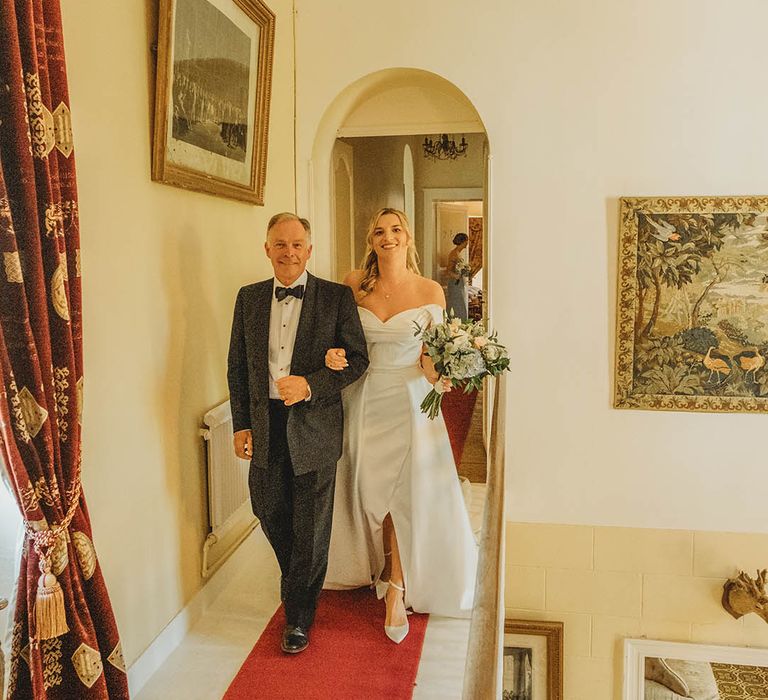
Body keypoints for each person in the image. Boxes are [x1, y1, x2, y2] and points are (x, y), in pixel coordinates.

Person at [323, 208, 478, 643]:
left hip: (412, 401)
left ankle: (397, 586)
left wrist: (441, 369)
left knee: (410, 494)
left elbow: (432, 354)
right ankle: (374, 564)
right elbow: (335, 341)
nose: (388, 237)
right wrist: (331, 357)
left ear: (408, 237)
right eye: (379, 231)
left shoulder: (430, 289)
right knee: (371, 490)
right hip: (365, 397)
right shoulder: (352, 284)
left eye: (396, 230)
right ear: (370, 240)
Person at [227, 213, 369, 654]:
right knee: (267, 507)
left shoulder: (336, 297)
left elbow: (358, 360)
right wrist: (242, 424)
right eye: (280, 244)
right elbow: (237, 366)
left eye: (297, 244)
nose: (289, 252)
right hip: (265, 423)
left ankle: (298, 618)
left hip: (315, 424)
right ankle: (299, 583)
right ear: (266, 248)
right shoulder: (248, 298)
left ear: (310, 250)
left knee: (311, 524)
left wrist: (310, 384)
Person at [445, 232, 470, 321]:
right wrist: (457, 276)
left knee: (461, 306)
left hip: (459, 284)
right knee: (457, 306)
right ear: (463, 241)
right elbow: (448, 271)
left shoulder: (458, 253)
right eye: (467, 241)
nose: (467, 243)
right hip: (455, 284)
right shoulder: (454, 253)